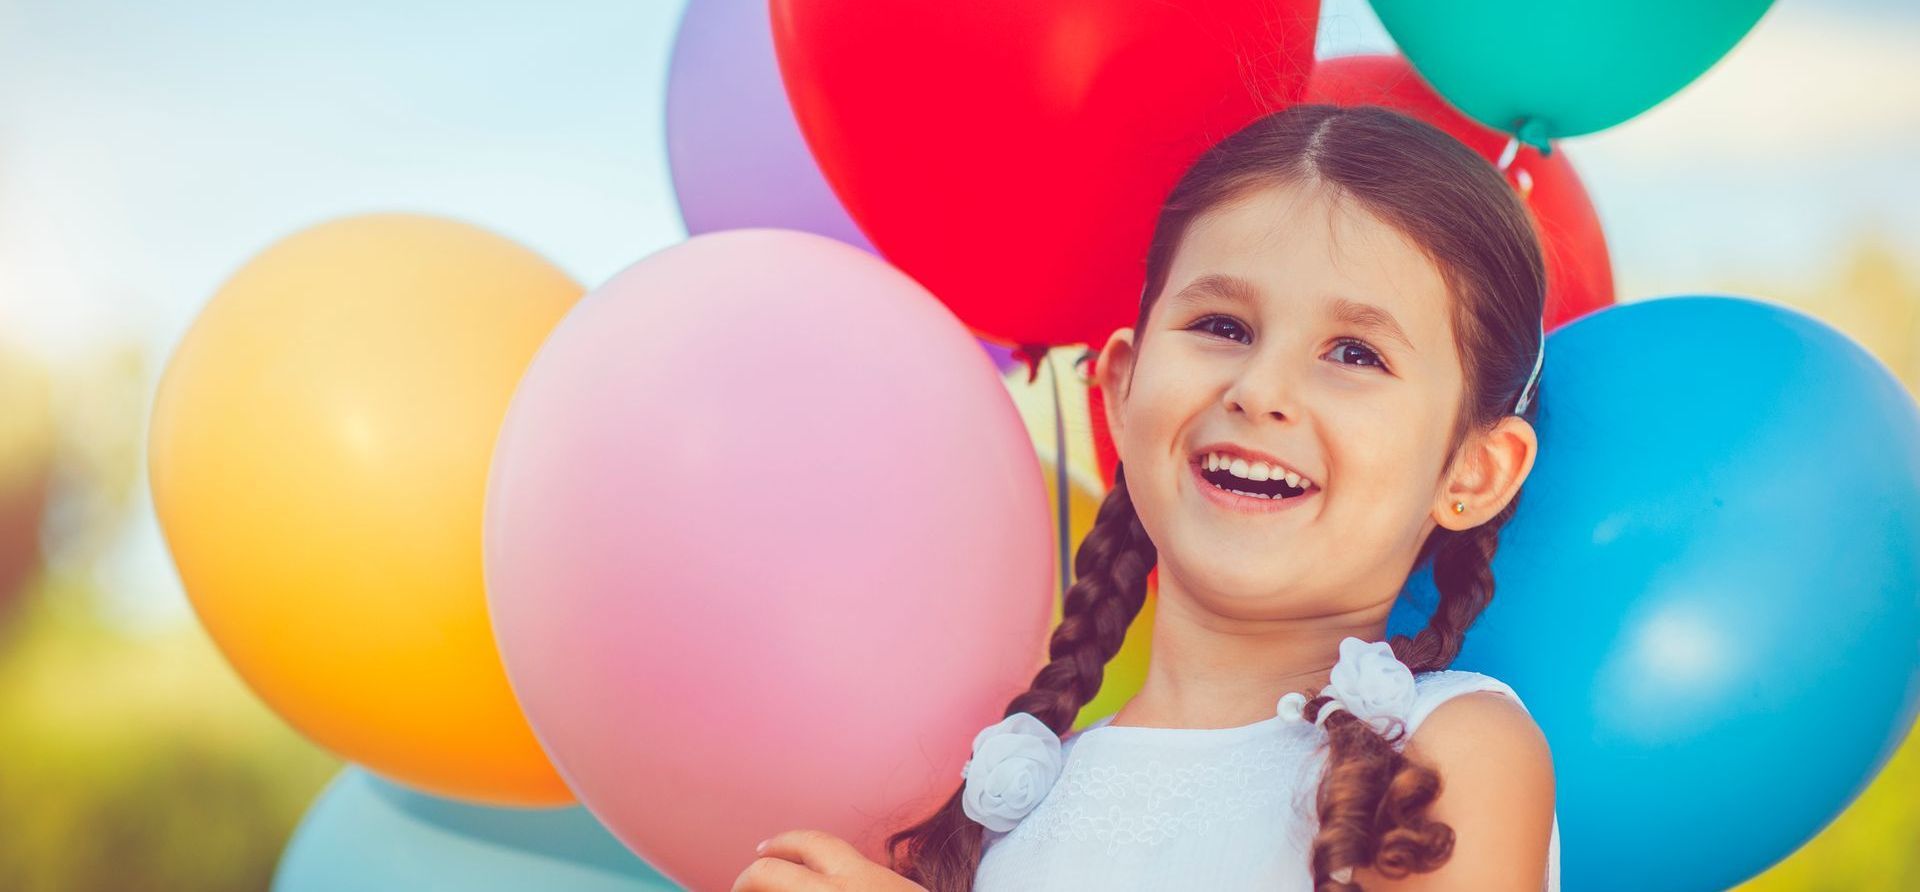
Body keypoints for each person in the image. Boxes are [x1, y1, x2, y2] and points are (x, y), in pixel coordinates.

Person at [733, 102, 1559, 892]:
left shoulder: (1446, 751)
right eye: (1223, 327)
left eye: (1354, 352)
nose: (1260, 388)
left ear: (1473, 473)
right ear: (1122, 393)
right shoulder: (1006, 806)